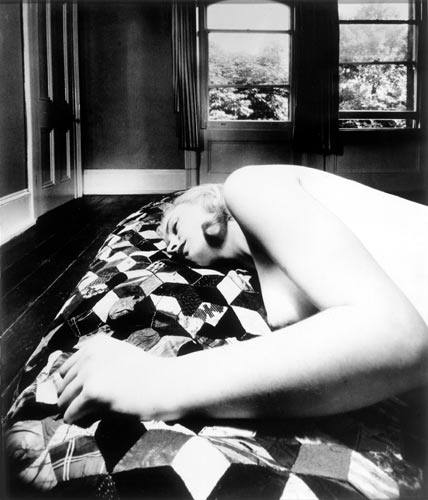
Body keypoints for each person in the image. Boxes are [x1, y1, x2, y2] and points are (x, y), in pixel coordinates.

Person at [57, 165, 428, 425]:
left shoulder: (248, 185)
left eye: (173, 225)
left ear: (207, 200)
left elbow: (397, 337)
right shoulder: (269, 271)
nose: (170, 246)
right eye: (165, 243)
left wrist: (152, 382)